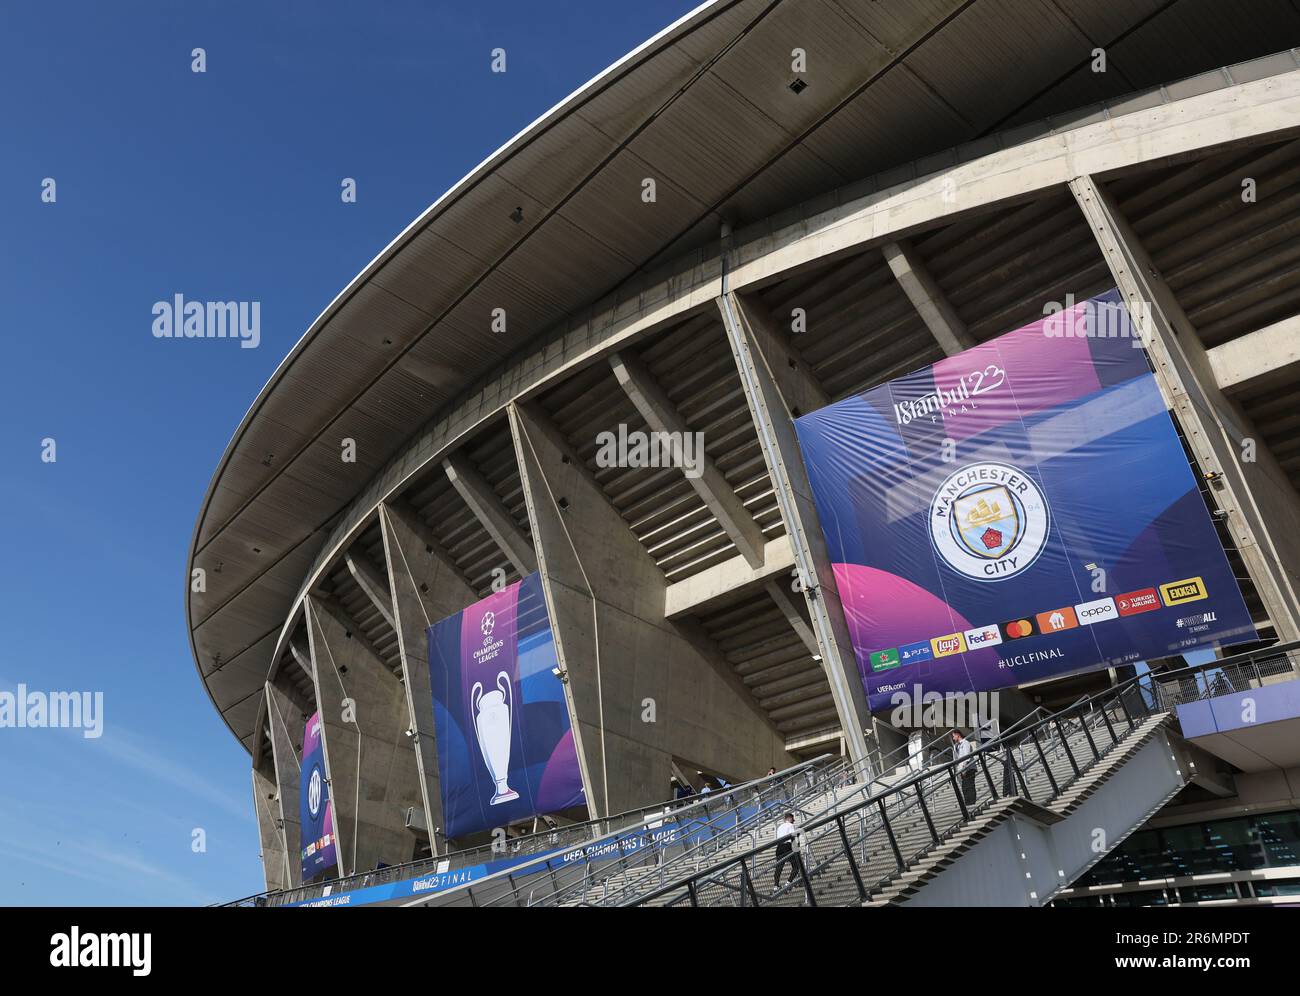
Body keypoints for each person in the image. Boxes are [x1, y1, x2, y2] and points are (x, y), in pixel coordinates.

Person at [772, 812, 804, 892]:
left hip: (779, 847)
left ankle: (776, 885)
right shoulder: (791, 825)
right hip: (788, 846)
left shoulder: (779, 827)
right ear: (789, 818)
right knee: (796, 866)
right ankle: (788, 883)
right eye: (793, 818)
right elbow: (793, 836)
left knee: (779, 867)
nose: (794, 820)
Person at [953, 730, 977, 807]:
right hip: (963, 769)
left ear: (958, 735)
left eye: (954, 736)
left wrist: (964, 769)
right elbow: (957, 759)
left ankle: (972, 803)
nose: (953, 738)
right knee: (965, 787)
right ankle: (968, 803)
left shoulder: (965, 743)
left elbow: (967, 757)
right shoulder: (957, 746)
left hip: (968, 768)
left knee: (969, 785)